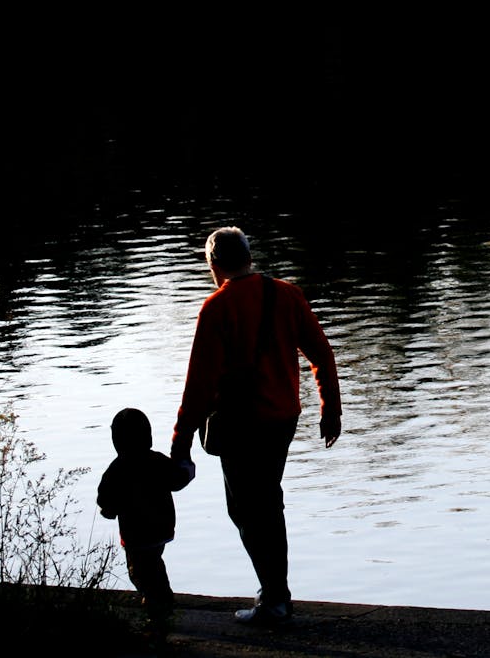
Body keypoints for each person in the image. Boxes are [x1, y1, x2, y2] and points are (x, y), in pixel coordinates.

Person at [169, 225, 342, 627]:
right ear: (249, 256)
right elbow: (322, 353)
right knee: (265, 504)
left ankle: (274, 599)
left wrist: (181, 443)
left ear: (213, 263)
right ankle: (275, 594)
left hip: (241, 423)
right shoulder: (286, 294)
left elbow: (198, 385)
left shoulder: (216, 308)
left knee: (247, 509)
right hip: (283, 419)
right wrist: (330, 409)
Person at [97, 407, 196, 636]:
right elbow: (179, 479)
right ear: (148, 436)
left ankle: (157, 605)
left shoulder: (117, 469)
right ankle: (158, 600)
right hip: (161, 528)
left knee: (139, 570)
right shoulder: (157, 461)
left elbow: (106, 498)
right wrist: (188, 468)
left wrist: (108, 511)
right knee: (153, 562)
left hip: (135, 532)